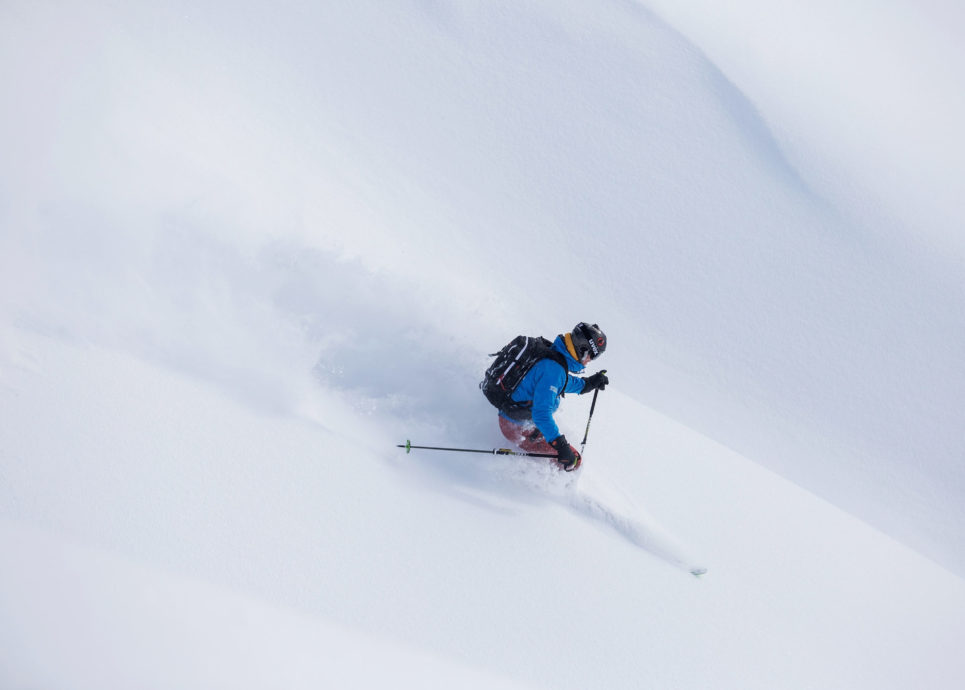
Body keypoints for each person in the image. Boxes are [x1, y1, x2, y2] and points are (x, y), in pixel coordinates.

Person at [498, 323, 608, 471]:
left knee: (565, 452)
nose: (590, 361)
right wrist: (560, 446)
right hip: (516, 428)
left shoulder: (554, 356)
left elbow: (560, 382)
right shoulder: (554, 370)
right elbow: (541, 414)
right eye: (592, 355)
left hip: (515, 418)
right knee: (573, 460)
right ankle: (540, 489)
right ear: (583, 350)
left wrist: (587, 384)